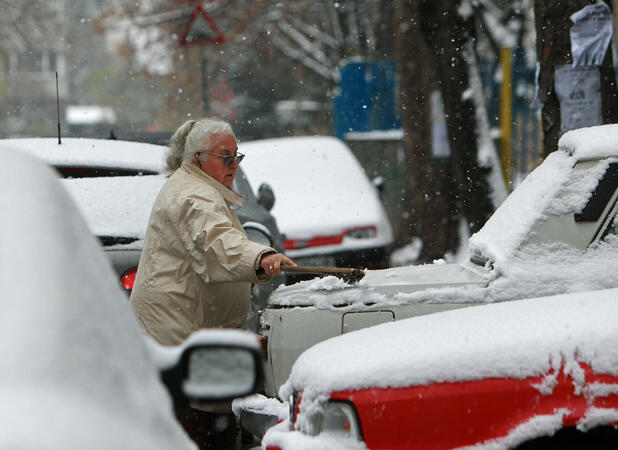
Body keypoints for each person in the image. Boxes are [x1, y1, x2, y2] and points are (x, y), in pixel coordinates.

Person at [129, 117, 295, 449]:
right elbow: (216, 242)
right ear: (197, 158)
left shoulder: (200, 188)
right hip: (177, 343)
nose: (233, 165)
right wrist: (260, 258)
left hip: (187, 340)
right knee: (193, 431)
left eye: (237, 156)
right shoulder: (193, 196)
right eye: (225, 157)